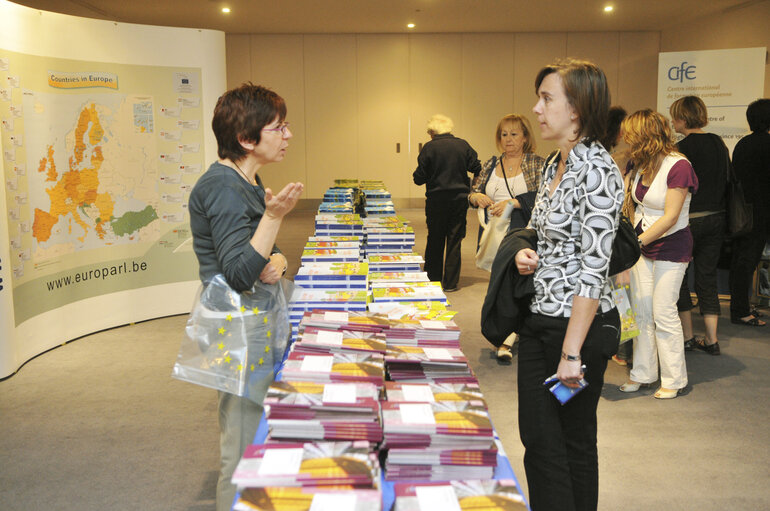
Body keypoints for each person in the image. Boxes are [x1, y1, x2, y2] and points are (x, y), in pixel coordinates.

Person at [188, 83, 303, 511]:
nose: (287, 135)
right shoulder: (222, 185)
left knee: (256, 429)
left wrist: (280, 258)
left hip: (254, 318)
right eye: (279, 127)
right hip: (239, 324)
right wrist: (273, 218)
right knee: (241, 442)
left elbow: (258, 253)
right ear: (246, 138)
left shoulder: (245, 178)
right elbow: (237, 273)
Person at [514, 59, 623, 511]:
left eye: (547, 98)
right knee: (542, 442)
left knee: (570, 444)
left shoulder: (597, 170)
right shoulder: (558, 163)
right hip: (541, 319)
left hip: (575, 329)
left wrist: (572, 353)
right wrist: (528, 253)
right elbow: (553, 237)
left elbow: (594, 270)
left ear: (577, 108)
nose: (537, 109)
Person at [618, 109, 698, 399]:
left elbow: (671, 217)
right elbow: (633, 204)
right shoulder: (639, 163)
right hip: (642, 245)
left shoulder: (679, 166)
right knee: (640, 312)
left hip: (672, 246)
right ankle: (643, 373)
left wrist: (635, 243)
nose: (626, 139)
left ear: (646, 135)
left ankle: (674, 379)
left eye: (631, 134)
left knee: (663, 312)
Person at [469, 114, 544, 360]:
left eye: (514, 134)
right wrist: (476, 198)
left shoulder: (536, 163)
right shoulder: (491, 164)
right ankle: (508, 334)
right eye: (504, 134)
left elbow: (546, 198)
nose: (508, 140)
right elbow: (473, 192)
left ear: (525, 137)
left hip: (522, 236)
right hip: (494, 236)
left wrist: (517, 202)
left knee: (517, 287)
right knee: (499, 287)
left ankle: (507, 340)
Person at [670, 96, 728, 355]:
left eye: (674, 116)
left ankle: (688, 336)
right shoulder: (717, 142)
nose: (672, 121)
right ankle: (712, 339)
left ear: (683, 118)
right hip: (717, 217)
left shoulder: (679, 150)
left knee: (680, 278)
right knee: (707, 277)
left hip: (689, 221)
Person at [413, 114, 482, 292]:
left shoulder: (429, 148)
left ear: (433, 131)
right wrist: (472, 185)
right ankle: (451, 283)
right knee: (454, 240)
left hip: (436, 201)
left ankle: (433, 279)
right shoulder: (462, 145)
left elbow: (419, 178)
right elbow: (477, 167)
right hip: (459, 201)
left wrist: (430, 175)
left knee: (435, 239)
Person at [729, 99, 770, 326]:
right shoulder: (767, 143)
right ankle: (741, 311)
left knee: (741, 262)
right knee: (747, 263)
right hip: (762, 213)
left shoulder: (743, 144)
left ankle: (741, 307)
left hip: (743, 213)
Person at [602, 106, 635, 367]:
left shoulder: (621, 158)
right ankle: (622, 350)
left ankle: (622, 350)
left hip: (617, 236)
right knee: (620, 294)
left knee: (620, 294)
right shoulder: (616, 159)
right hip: (616, 236)